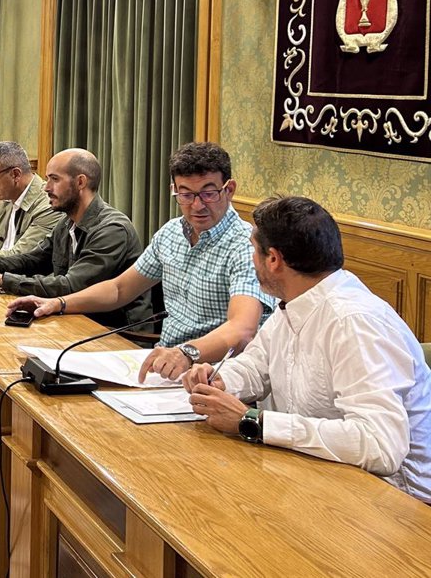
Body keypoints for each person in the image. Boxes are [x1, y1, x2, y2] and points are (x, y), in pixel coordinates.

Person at [184, 197, 431, 503]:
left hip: (396, 502)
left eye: (253, 251)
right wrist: (221, 381)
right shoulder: (298, 299)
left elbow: (380, 446)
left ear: (273, 260)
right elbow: (257, 365)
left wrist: (254, 422)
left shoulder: (353, 322)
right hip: (318, 476)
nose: (252, 259)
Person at [5, 142, 273, 381]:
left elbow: (242, 329)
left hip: (215, 377)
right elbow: (119, 289)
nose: (197, 205)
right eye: (185, 194)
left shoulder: (246, 247)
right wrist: (59, 303)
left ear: (230, 189)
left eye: (208, 193)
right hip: (163, 370)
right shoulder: (171, 233)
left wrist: (187, 352)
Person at [0, 149, 152, 328]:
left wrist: (2, 280)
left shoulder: (112, 230)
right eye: (47, 178)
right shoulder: (67, 222)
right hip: (76, 321)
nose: (47, 187)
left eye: (54, 179)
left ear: (80, 182)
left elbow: (72, 286)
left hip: (115, 334)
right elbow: (34, 259)